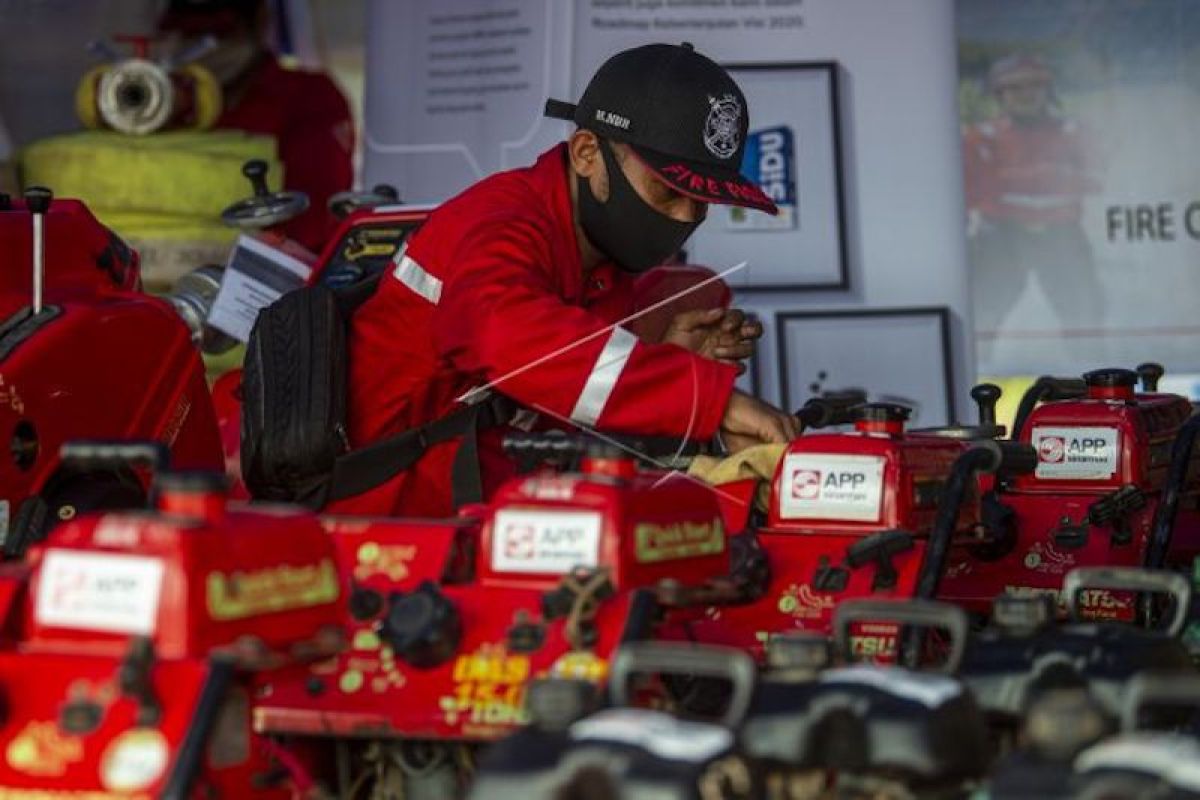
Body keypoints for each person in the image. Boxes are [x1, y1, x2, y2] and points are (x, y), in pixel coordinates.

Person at [340, 42, 800, 518]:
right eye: (667, 191)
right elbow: (510, 340)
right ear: (586, 153)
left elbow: (557, 409)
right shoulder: (501, 223)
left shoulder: (600, 261)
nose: (686, 217)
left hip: (494, 522)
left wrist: (665, 361)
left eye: (701, 202)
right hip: (386, 530)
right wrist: (702, 395)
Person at [158, 0, 354, 251]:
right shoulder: (158, 106)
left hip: (281, 272)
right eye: (185, 35)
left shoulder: (308, 97)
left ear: (260, 21)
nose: (197, 47)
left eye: (217, 35)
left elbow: (314, 218)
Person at [963, 53, 1102, 348]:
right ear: (1000, 95)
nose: (1026, 95)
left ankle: (1094, 380)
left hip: (1062, 235)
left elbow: (1096, 180)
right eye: (1015, 88)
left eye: (1034, 86)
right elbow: (973, 190)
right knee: (983, 314)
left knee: (1084, 314)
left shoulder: (1074, 132)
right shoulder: (981, 136)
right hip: (1001, 237)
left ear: (1047, 91)